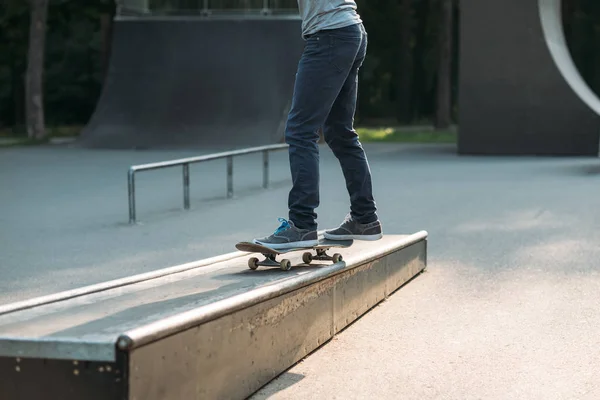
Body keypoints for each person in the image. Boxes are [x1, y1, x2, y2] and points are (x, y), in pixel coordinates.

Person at [253, 0, 382, 249]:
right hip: (350, 29)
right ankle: (365, 218)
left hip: (330, 35)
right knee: (340, 133)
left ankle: (301, 225)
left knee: (301, 131)